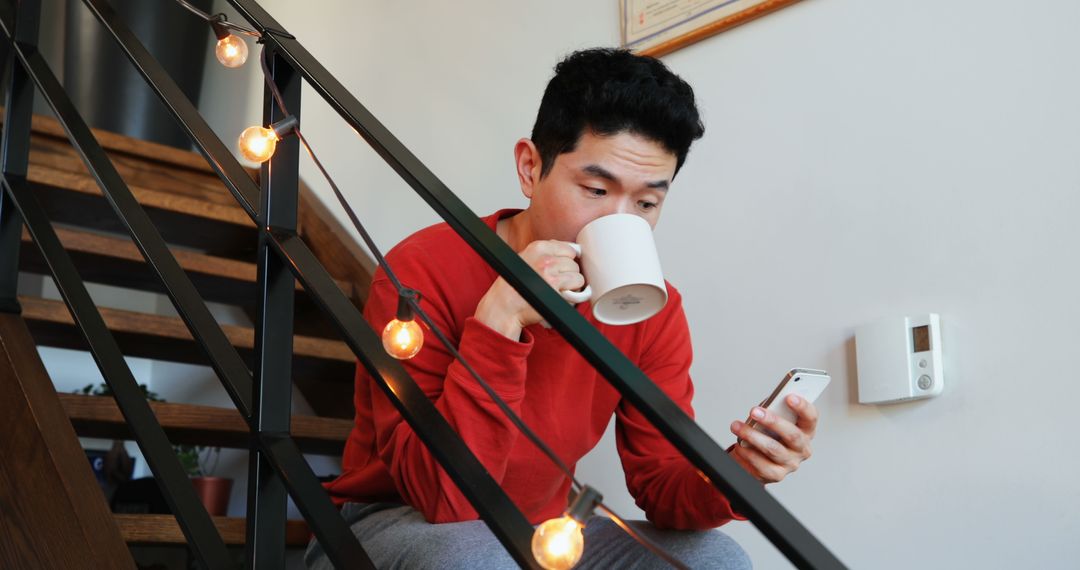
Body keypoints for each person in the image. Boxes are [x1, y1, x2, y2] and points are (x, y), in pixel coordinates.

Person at [307, 48, 818, 569]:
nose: (620, 219)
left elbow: (662, 485)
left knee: (716, 559)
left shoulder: (654, 308)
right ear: (530, 168)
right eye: (596, 189)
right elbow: (445, 497)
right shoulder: (423, 268)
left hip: (545, 532)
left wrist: (739, 472)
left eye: (646, 203)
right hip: (393, 522)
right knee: (476, 560)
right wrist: (501, 318)